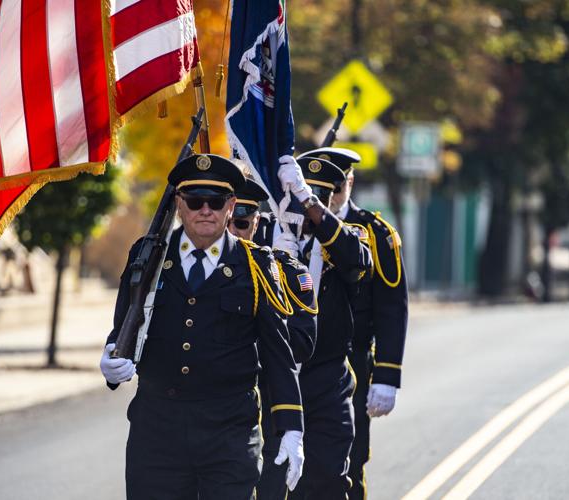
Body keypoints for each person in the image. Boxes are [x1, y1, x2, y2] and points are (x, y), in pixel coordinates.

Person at [100, 154, 305, 500]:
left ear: (231, 206)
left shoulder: (256, 266)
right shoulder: (148, 256)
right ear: (179, 204)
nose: (205, 210)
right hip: (157, 428)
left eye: (216, 201)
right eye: (195, 201)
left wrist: (291, 426)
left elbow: (277, 352)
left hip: (228, 430)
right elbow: (126, 323)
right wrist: (110, 362)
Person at [261, 154, 372, 499]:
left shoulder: (346, 238)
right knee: (271, 484)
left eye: (319, 201)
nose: (307, 214)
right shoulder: (267, 233)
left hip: (327, 380)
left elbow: (357, 260)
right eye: (299, 201)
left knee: (327, 481)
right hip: (274, 378)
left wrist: (308, 200)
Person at [300, 147, 409, 500]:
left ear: (348, 182)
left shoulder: (373, 232)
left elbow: (392, 305)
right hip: (296, 362)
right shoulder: (291, 228)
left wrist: (387, 375)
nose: (328, 198)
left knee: (348, 459)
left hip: (353, 361)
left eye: (336, 187)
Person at [228, 179, 318, 499]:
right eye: (228, 222)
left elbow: (304, 342)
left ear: (256, 222)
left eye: (241, 223)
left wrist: (253, 339)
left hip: (266, 403)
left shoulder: (282, 270)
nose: (234, 231)